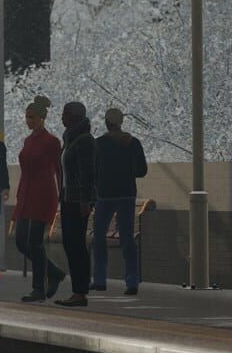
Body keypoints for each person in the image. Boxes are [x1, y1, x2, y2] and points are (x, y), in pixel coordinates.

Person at [91, 107, 150, 295]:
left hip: (105, 195)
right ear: (122, 122)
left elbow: (92, 171)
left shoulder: (98, 144)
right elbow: (142, 171)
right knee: (127, 239)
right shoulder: (133, 143)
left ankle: (100, 280)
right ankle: (132, 281)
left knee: (99, 237)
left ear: (107, 123)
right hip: (126, 194)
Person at [13, 97, 64, 302]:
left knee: (35, 242)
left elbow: (59, 170)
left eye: (32, 117)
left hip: (43, 194)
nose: (28, 121)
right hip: (26, 194)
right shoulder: (28, 141)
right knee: (21, 241)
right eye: (26, 117)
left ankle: (38, 287)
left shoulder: (52, 142)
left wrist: (62, 194)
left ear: (42, 118)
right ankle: (54, 273)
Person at [56, 100, 97, 307]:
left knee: (76, 245)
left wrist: (85, 201)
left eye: (65, 114)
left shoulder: (84, 141)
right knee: (70, 244)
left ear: (75, 116)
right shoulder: (71, 139)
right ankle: (78, 290)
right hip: (67, 198)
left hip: (77, 201)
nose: (61, 117)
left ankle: (80, 292)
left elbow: (87, 173)